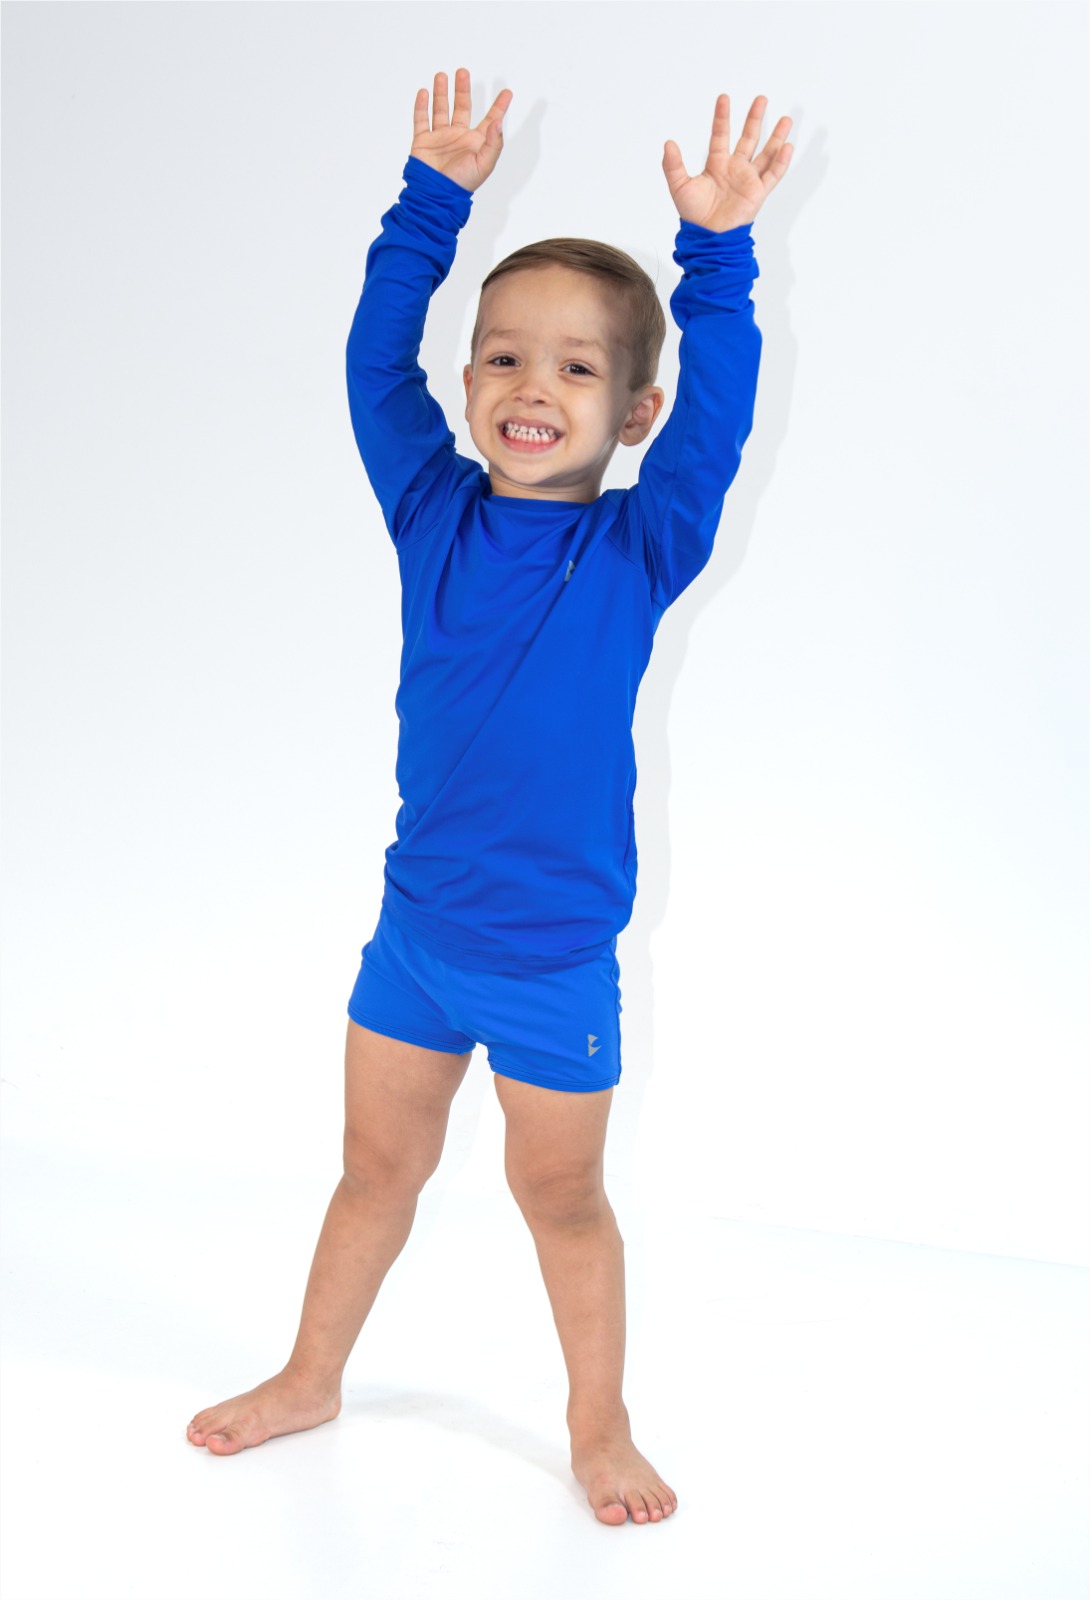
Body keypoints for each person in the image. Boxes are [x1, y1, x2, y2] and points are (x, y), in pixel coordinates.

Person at [186, 67, 792, 1527]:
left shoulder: (643, 547)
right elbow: (368, 368)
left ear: (635, 411)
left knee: (560, 1200)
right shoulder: (429, 511)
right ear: (466, 387)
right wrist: (428, 208)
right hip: (415, 939)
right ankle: (311, 1376)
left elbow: (718, 419)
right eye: (505, 358)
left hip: (549, 963)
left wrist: (715, 255)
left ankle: (600, 1424)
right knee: (371, 1172)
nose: (533, 388)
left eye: (578, 370)